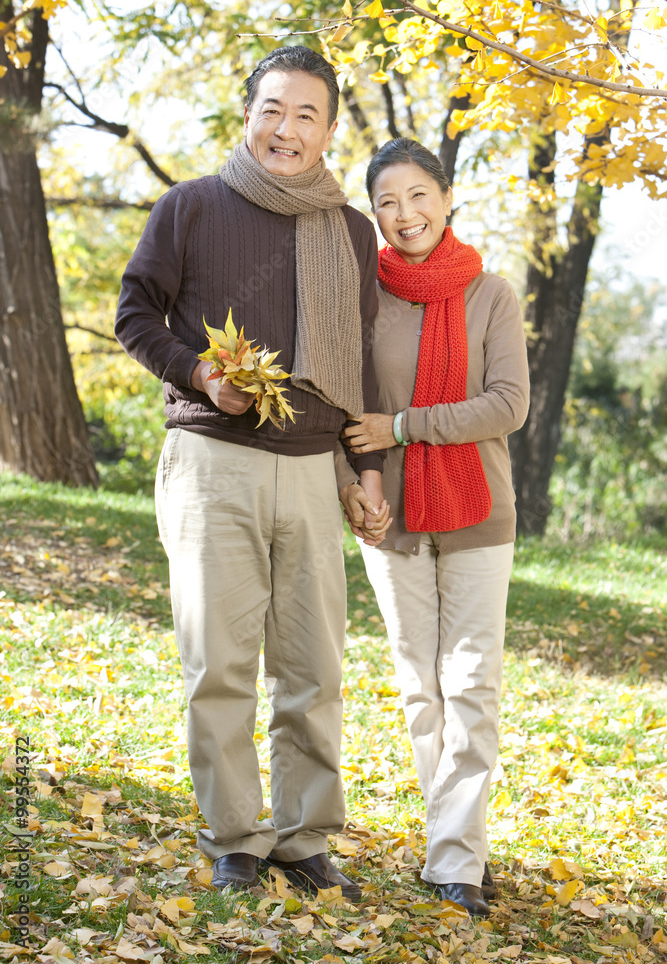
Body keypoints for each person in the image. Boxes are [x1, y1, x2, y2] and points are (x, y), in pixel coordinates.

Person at [115, 46, 390, 901]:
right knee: (220, 663)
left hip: (313, 469)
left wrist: (367, 467)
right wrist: (200, 373)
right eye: (273, 109)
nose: (287, 128)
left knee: (313, 668)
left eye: (307, 114)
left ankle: (304, 839)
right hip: (211, 465)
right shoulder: (192, 207)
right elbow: (134, 313)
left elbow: (361, 361)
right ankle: (234, 835)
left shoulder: (348, 227)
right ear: (248, 113)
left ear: (330, 129)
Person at [339, 138, 530, 917]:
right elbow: (349, 414)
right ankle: (454, 842)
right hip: (392, 520)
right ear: (374, 214)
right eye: (387, 201)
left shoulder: (491, 295)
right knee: (421, 690)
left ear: (445, 199)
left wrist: (406, 425)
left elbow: (505, 404)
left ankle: (455, 856)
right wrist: (361, 479)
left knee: (470, 685)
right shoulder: (362, 296)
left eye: (418, 195)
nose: (405, 213)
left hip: (479, 513)